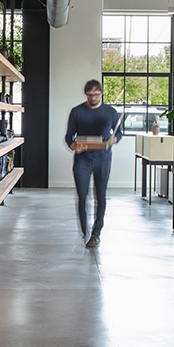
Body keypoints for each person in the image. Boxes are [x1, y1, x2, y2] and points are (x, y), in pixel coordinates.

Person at [65, 79, 122, 249]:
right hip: (82, 158)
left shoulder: (110, 112)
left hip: (103, 158)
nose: (93, 98)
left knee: (100, 195)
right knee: (82, 196)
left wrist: (114, 140)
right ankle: (84, 231)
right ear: (86, 94)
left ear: (101, 93)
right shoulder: (77, 111)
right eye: (90, 95)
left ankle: (96, 233)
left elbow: (118, 132)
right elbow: (69, 136)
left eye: (96, 95)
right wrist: (74, 146)